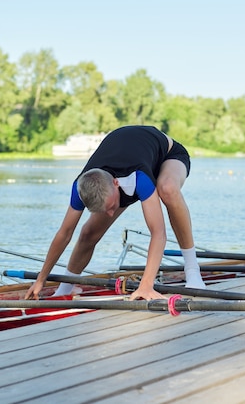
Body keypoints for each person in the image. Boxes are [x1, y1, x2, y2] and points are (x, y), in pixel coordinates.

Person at [25, 125, 205, 301]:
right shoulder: (80, 187)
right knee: (88, 233)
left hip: (168, 156)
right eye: (106, 210)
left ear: (116, 184)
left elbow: (158, 233)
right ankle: (65, 289)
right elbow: (64, 233)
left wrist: (146, 284)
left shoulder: (139, 178)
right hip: (130, 161)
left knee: (167, 188)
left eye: (112, 207)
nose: (111, 214)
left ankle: (192, 271)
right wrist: (41, 279)